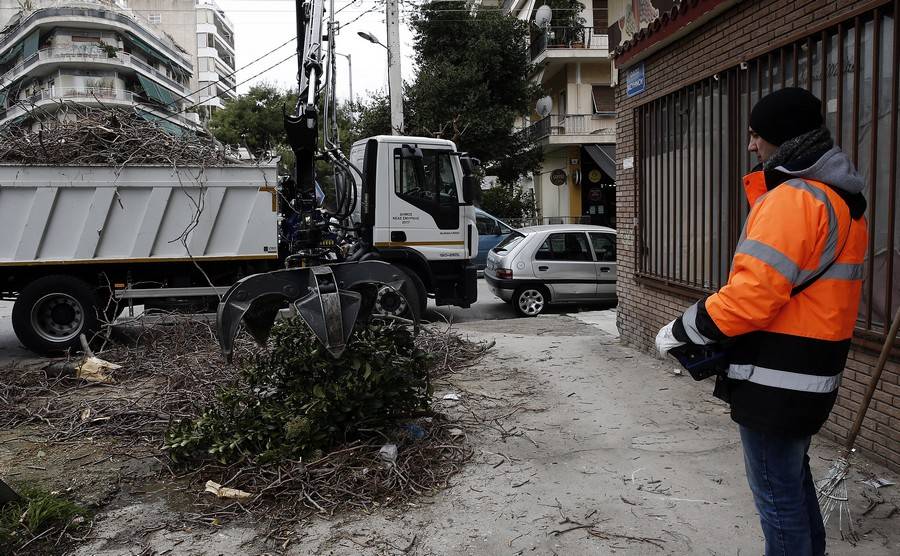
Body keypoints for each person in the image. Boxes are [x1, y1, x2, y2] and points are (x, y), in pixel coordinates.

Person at [655, 87, 868, 556]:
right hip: (812, 375)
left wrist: (679, 330)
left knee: (777, 499)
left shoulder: (794, 200)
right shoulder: (841, 201)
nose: (752, 145)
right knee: (792, 486)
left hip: (776, 379)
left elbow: (751, 297)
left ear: (781, 137)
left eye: (756, 135)